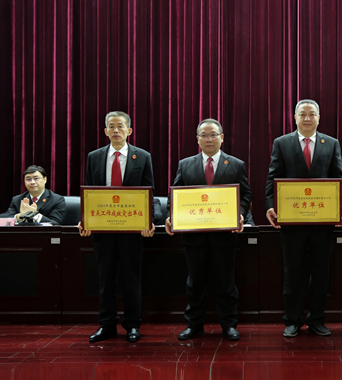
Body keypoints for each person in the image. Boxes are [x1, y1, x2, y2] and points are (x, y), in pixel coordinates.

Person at [265, 99, 342, 338]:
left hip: (322, 223)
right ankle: (292, 320)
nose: (308, 118)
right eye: (303, 114)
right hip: (292, 222)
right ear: (295, 117)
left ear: (319, 118)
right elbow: (273, 177)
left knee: (321, 273)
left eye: (312, 114)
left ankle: (317, 320)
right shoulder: (282, 143)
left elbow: (338, 179)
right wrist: (270, 206)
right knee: (293, 273)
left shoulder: (331, 143)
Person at [165, 118, 252, 342]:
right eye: (204, 135)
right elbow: (174, 195)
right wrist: (171, 216)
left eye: (213, 134)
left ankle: (229, 325)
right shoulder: (185, 164)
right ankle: (194, 325)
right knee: (195, 282)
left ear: (222, 137)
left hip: (224, 235)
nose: (209, 139)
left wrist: (240, 214)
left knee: (226, 282)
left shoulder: (236, 164)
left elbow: (246, 195)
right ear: (198, 139)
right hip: (194, 236)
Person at [78, 111, 161, 343]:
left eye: (120, 126)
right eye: (111, 126)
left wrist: (148, 221)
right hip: (103, 228)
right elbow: (89, 192)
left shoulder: (142, 156)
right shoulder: (94, 157)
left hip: (132, 229)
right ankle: (107, 325)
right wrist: (85, 220)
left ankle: (132, 325)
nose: (116, 130)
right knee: (106, 279)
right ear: (105, 131)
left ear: (129, 130)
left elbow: (149, 192)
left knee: (131, 279)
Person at [1, 165, 66, 225]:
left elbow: (56, 223)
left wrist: (34, 215)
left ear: (45, 179)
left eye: (36, 178)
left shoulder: (57, 200)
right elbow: (4, 219)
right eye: (28, 179)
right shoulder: (17, 200)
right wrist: (19, 216)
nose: (32, 182)